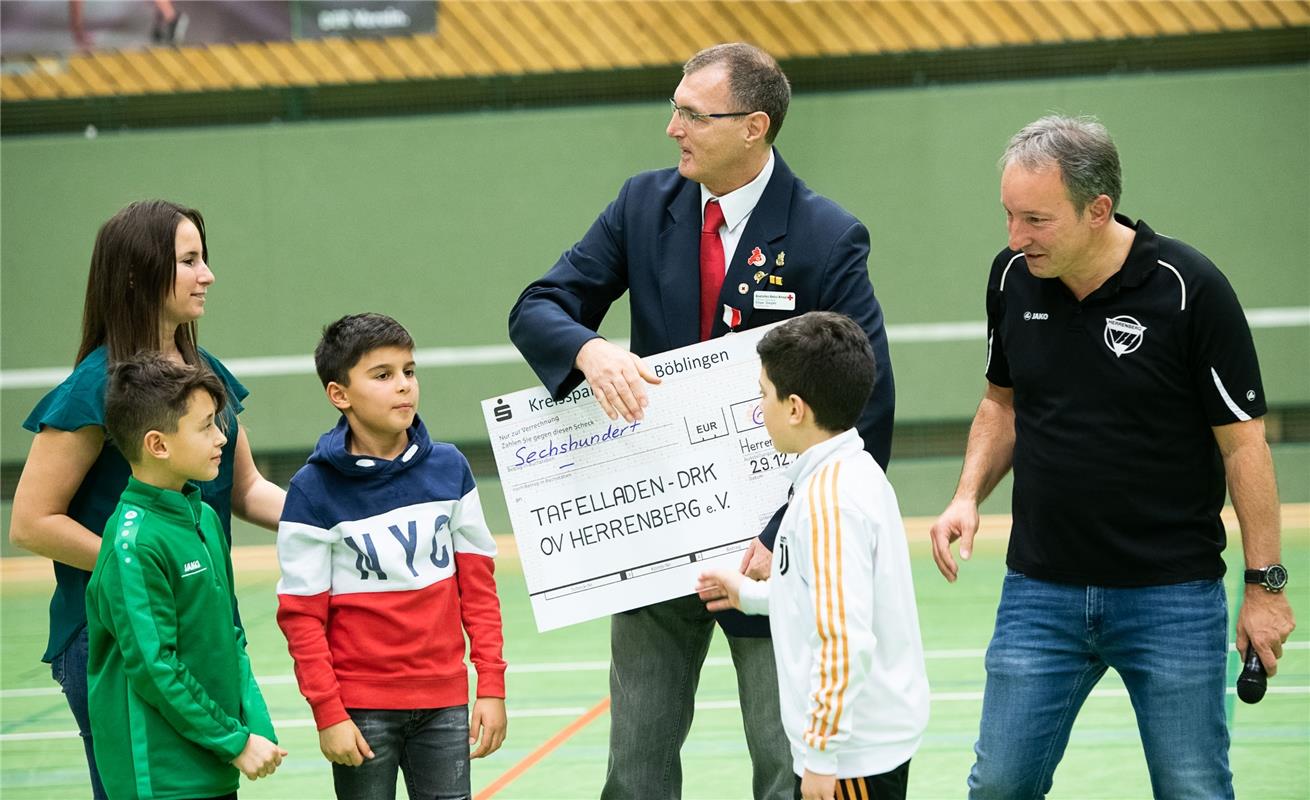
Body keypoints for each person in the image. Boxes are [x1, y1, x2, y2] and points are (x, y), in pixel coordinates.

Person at [508, 42, 894, 800]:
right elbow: (537, 308)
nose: (672, 127)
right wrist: (589, 351)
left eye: (691, 113)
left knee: (785, 768)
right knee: (636, 772)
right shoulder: (641, 206)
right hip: (659, 541)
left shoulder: (824, 235)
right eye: (674, 106)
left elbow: (866, 400)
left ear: (754, 126)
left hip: (770, 546)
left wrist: (784, 535)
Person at [929, 115, 1297, 798]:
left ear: (1098, 210)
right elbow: (1000, 403)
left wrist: (1264, 589)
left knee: (1193, 789)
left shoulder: (1189, 288)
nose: (1015, 238)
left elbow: (1245, 445)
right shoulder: (1011, 278)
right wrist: (964, 496)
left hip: (1172, 597)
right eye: (1009, 216)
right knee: (1000, 786)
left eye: (1036, 219)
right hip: (1040, 592)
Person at [9, 199, 286, 800]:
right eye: (189, 260)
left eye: (203, 258)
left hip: (201, 630)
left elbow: (246, 489)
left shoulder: (202, 372)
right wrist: (143, 568)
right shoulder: (96, 385)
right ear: (138, 274)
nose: (207, 274)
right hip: (117, 634)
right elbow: (32, 522)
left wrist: (333, 523)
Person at [697, 312, 928, 800]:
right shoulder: (853, 472)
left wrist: (821, 756)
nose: (759, 409)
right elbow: (825, 596)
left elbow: (843, 637)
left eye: (763, 394)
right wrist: (752, 596)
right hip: (864, 746)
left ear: (796, 407)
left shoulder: (829, 500)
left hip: (849, 758)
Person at [276, 313, 507, 800]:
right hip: (361, 711)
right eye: (383, 376)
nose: (403, 386)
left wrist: (490, 684)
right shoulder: (312, 491)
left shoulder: (450, 469)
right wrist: (328, 712)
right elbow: (301, 618)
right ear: (340, 394)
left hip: (445, 703)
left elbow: (479, 590)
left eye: (409, 371)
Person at [87, 354, 285, 799]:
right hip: (160, 777)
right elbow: (155, 666)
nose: (222, 438)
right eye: (207, 426)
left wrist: (254, 722)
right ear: (158, 444)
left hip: (214, 761)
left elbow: (229, 635)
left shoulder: (204, 518)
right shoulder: (132, 544)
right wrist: (233, 741)